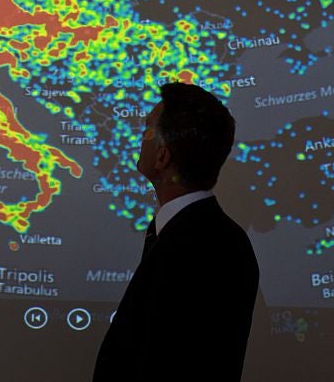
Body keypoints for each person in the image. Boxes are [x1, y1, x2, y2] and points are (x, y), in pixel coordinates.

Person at [93, 82, 259, 381]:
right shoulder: (207, 235)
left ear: (162, 156)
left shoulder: (204, 244)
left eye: (147, 129)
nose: (140, 138)